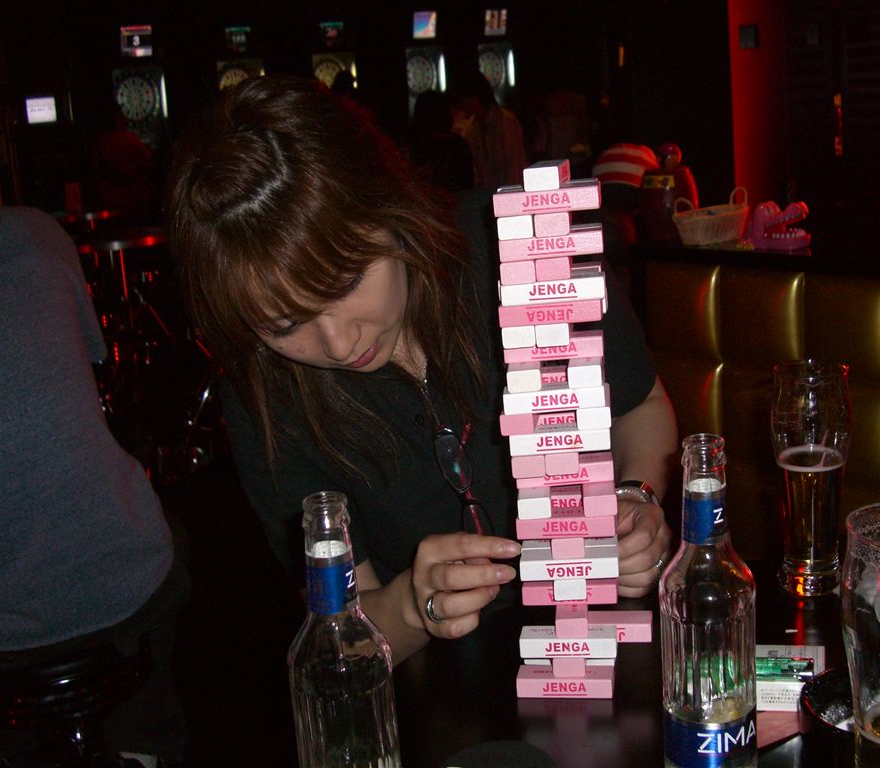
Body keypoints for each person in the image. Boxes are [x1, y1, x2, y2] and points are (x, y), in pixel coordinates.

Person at [164, 75, 676, 666]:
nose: (339, 342)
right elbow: (340, 635)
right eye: (283, 324)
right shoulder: (264, 394)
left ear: (389, 206)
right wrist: (411, 604)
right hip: (446, 687)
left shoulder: (522, 242)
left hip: (609, 645)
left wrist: (634, 499)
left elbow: (641, 406)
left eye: (346, 281)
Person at [0, 207, 189, 767]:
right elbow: (91, 359)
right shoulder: (34, 230)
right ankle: (145, 746)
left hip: (4, 640)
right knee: (158, 537)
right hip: (130, 579)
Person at [449, 71, 527, 191]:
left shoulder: (506, 122)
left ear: (473, 98)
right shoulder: (472, 128)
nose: (462, 107)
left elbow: (515, 168)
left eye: (463, 100)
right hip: (488, 195)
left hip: (509, 194)